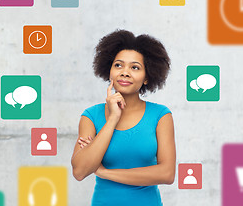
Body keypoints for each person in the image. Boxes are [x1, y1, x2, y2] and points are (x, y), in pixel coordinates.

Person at [71, 29, 176, 206]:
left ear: (146, 78)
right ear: (109, 71)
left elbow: (167, 174)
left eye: (135, 67)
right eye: (118, 65)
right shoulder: (91, 116)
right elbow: (80, 171)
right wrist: (112, 119)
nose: (125, 72)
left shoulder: (160, 115)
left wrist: (105, 173)